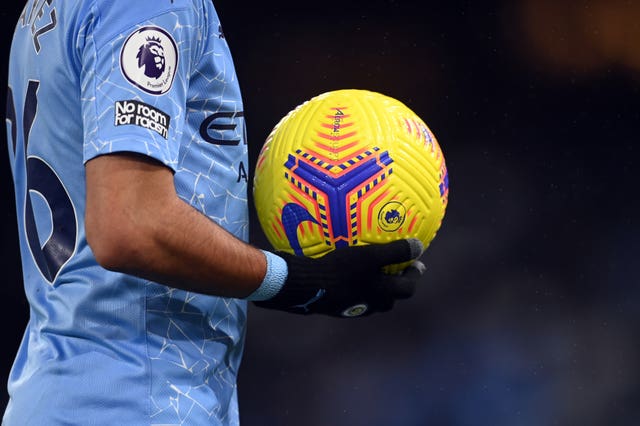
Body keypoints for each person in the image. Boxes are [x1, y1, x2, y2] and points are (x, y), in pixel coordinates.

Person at [3, 0, 425, 424]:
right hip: (135, 401)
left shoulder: (45, 10)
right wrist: (297, 282)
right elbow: (128, 224)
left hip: (73, 390)